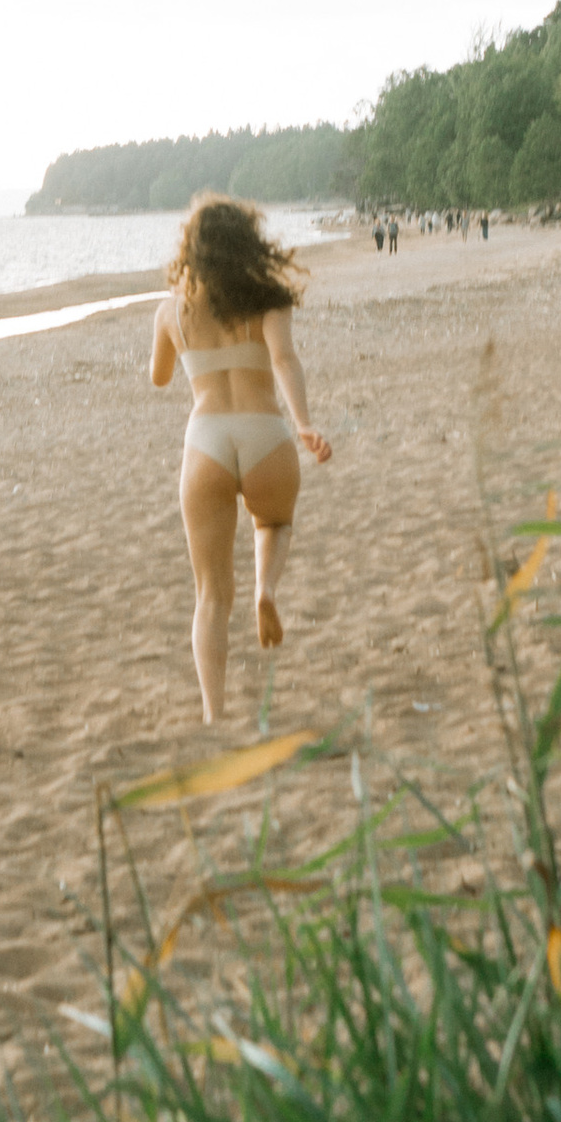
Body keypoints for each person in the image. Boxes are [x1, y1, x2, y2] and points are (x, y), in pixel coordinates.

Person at [151, 191, 331, 723]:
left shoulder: (171, 309)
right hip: (264, 432)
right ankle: (267, 588)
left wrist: (179, 340)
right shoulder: (268, 298)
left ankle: (213, 714)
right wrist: (303, 424)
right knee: (273, 522)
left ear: (192, 249)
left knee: (210, 596)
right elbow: (284, 359)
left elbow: (160, 378)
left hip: (206, 438)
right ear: (248, 242)